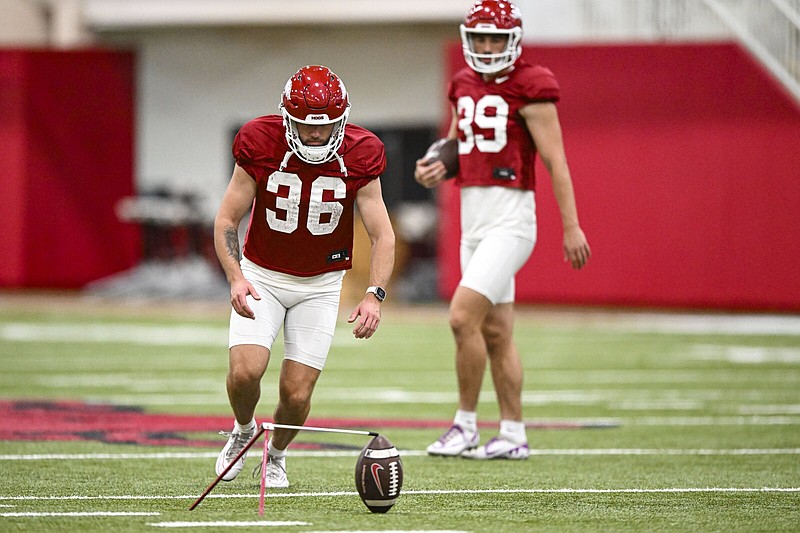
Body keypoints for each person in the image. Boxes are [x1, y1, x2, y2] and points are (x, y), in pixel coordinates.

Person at [414, 0, 590, 460]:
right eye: (480, 38)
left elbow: (556, 161)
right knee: (496, 333)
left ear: (513, 41)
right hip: (473, 219)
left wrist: (571, 225)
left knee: (460, 318)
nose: (488, 47)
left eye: (496, 38)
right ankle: (513, 433)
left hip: (511, 220)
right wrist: (436, 164)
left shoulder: (531, 85)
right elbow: (455, 142)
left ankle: (465, 425)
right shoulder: (462, 83)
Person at [214, 65, 395, 486]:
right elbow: (226, 218)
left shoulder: (361, 151)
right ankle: (242, 431)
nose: (315, 135)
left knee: (296, 394)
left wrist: (374, 294)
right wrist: (236, 276)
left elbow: (382, 234)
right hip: (263, 274)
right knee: (245, 373)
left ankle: (275, 454)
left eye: (327, 125)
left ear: (342, 119)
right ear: (287, 117)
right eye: (305, 125)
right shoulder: (260, 141)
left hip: (321, 284)